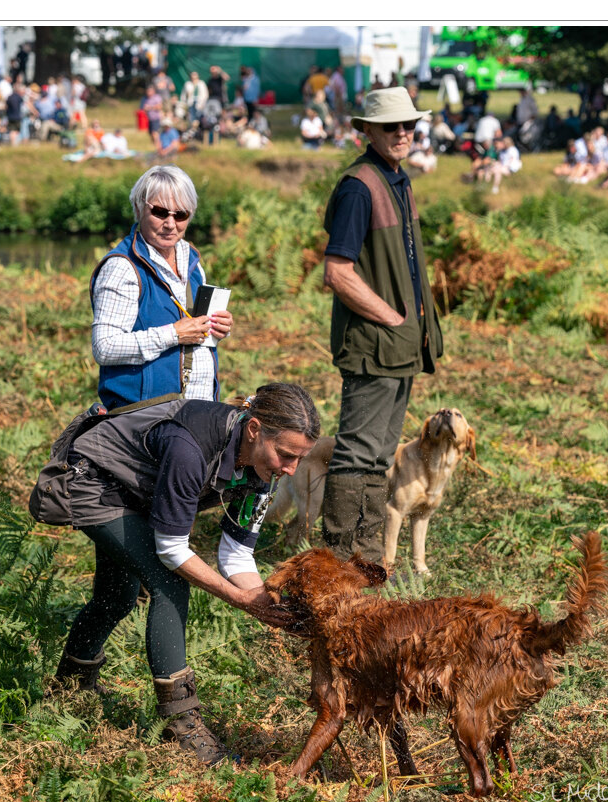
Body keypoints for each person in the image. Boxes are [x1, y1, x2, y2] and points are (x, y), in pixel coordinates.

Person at [52, 383, 320, 764]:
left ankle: (69, 686)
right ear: (254, 430)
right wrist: (239, 599)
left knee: (117, 596)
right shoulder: (190, 447)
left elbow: (236, 552)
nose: (290, 469)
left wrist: (265, 601)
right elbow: (172, 550)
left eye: (300, 459)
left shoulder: (265, 471)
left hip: (140, 493)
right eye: (286, 455)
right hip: (95, 481)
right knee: (170, 580)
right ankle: (181, 725)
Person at [320, 87, 443, 561]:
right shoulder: (359, 186)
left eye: (409, 124)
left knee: (378, 454)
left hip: (399, 346)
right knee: (357, 454)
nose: (402, 132)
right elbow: (338, 273)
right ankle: (341, 563)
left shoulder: (397, 179)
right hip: (376, 344)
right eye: (391, 125)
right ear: (367, 130)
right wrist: (392, 318)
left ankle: (367, 560)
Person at [89, 165, 233, 411]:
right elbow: (105, 347)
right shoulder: (122, 267)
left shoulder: (191, 261)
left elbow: (194, 332)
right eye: (160, 212)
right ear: (138, 209)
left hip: (199, 408)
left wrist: (217, 327)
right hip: (147, 415)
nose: (170, 224)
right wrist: (173, 334)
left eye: (181, 215)